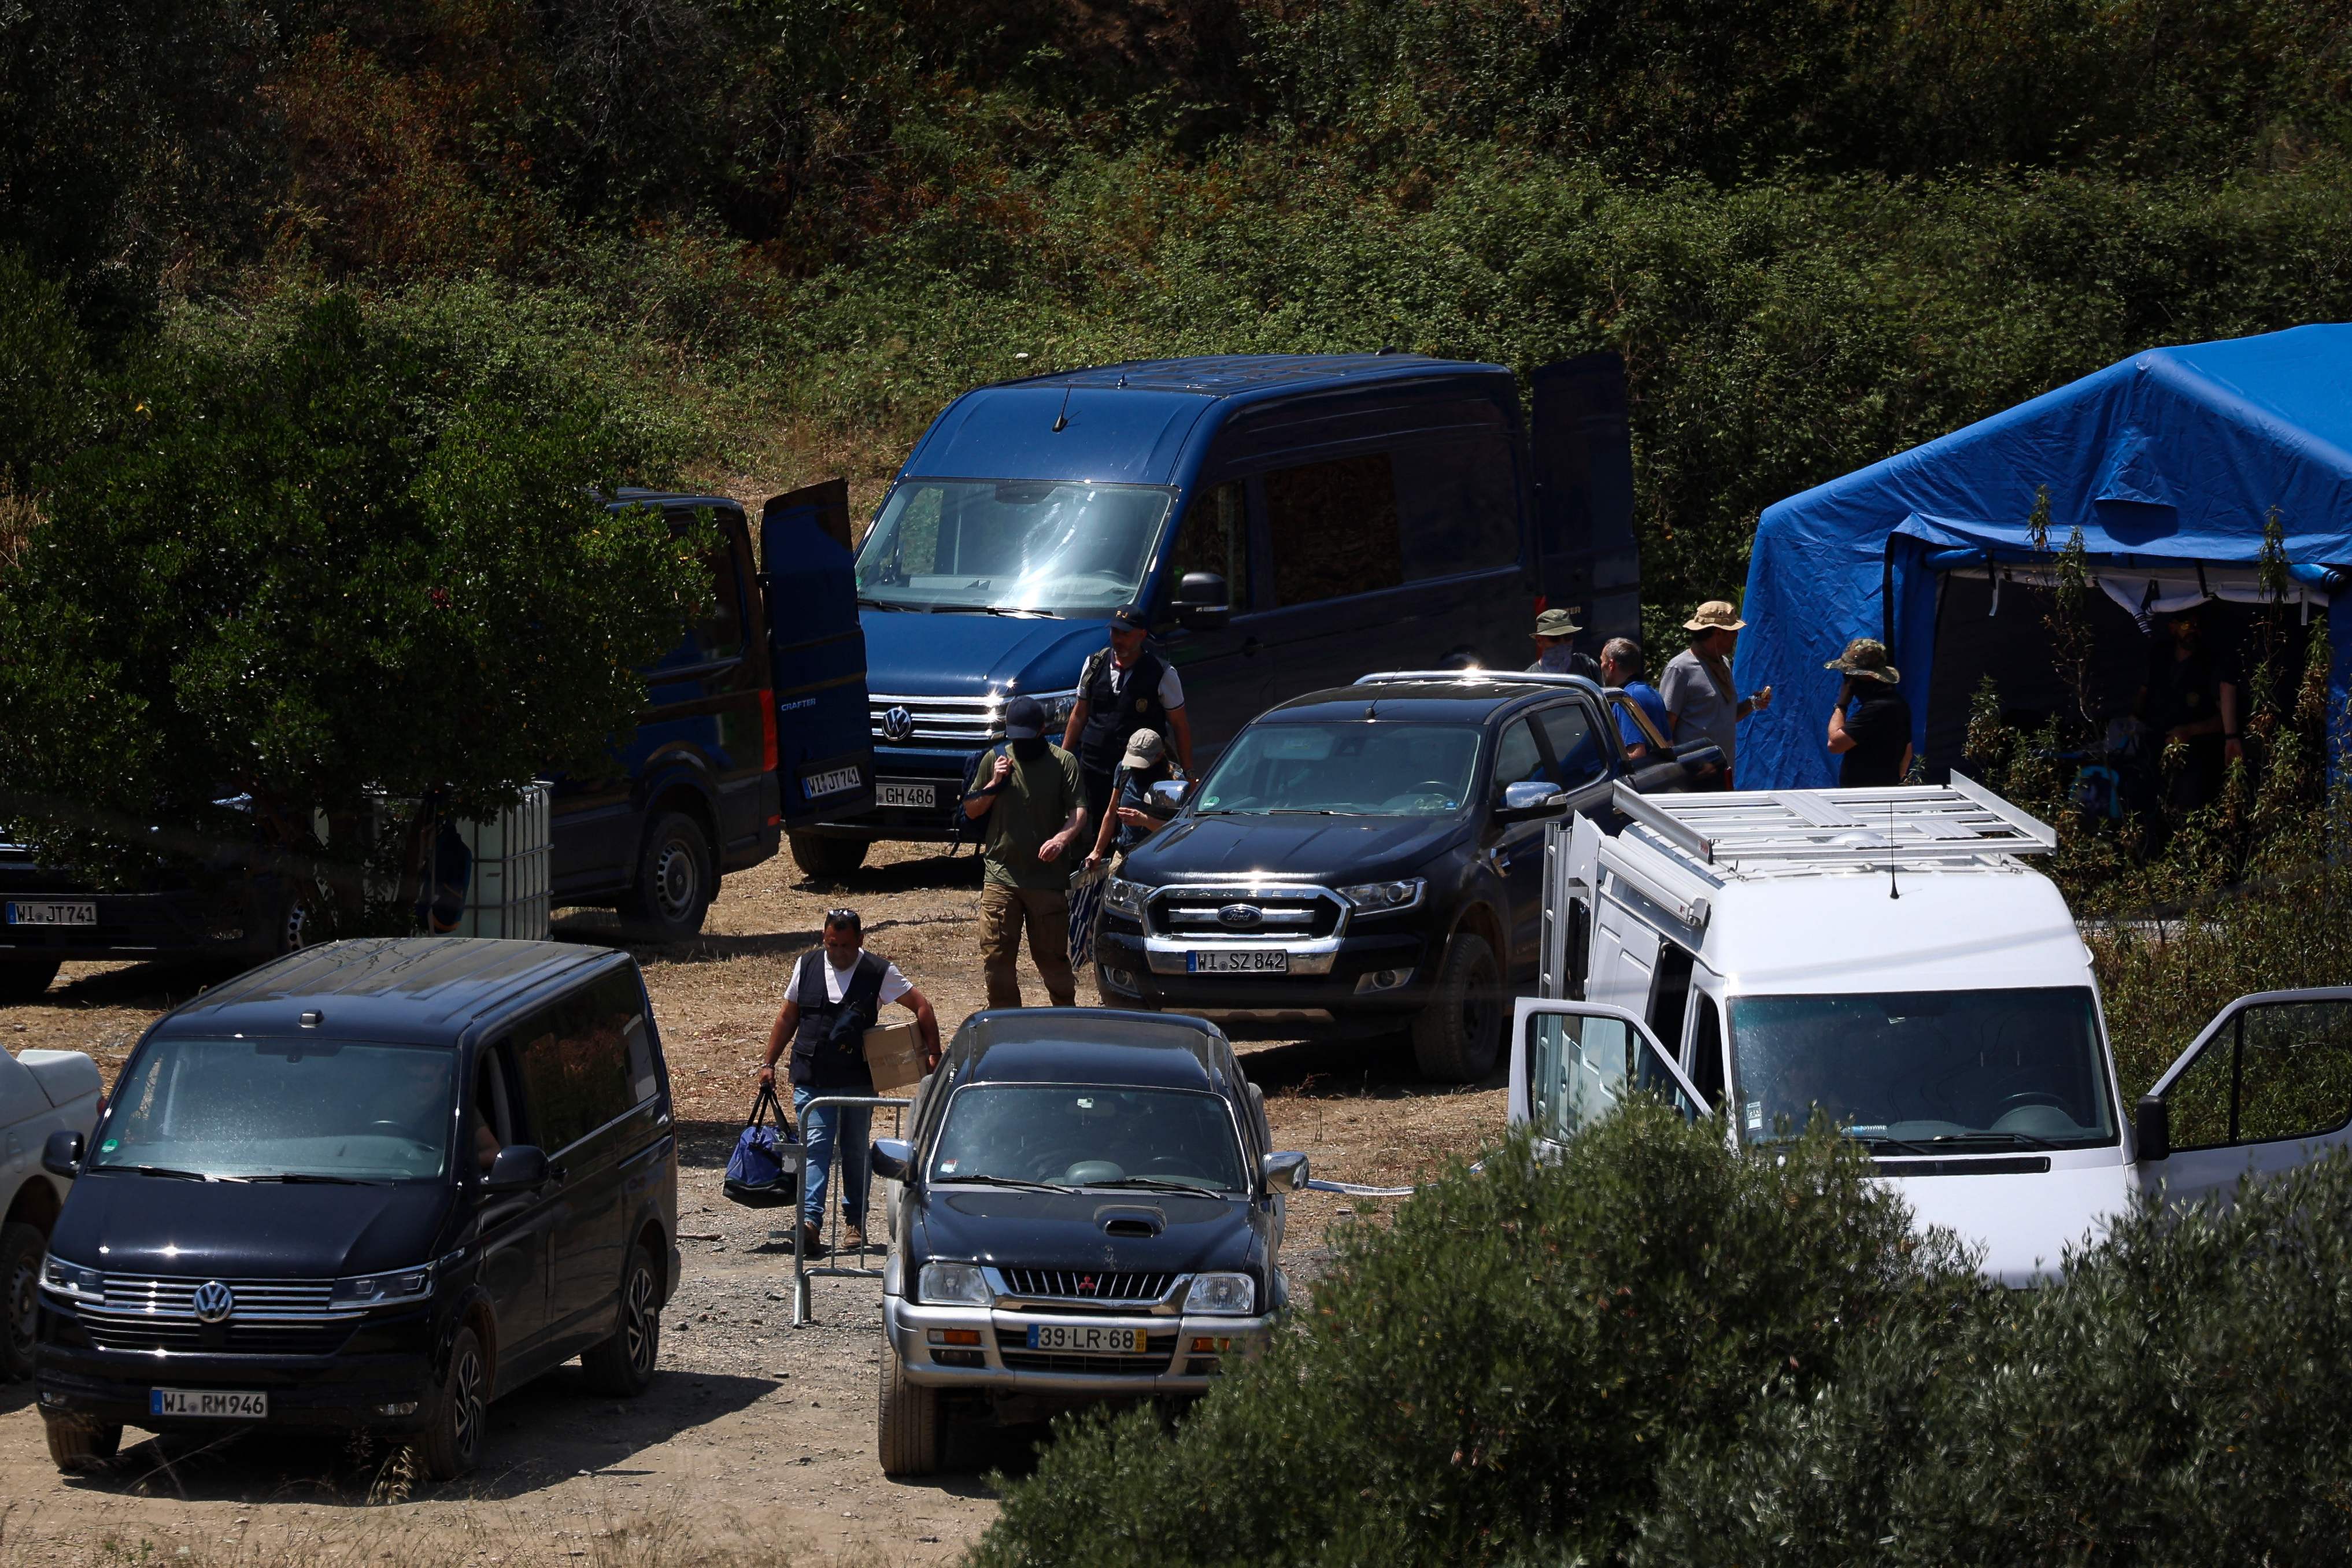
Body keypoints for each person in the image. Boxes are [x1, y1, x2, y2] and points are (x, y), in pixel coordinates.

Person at [757, 908, 941, 1253]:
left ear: (860, 940)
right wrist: (769, 1062)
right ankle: (810, 1223)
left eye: (845, 945)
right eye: (831, 945)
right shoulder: (807, 966)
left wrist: (932, 1054)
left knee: (856, 1151)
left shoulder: (879, 971)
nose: (838, 953)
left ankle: (855, 1221)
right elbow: (787, 1016)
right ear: (823, 940)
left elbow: (921, 1006)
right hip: (813, 1079)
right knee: (816, 1150)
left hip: (858, 1080)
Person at [967, 693, 1087, 1008]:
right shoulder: (995, 760)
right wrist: (994, 784)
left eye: (1027, 736)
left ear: (1042, 729)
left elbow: (1079, 811)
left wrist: (1062, 839)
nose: (1020, 743)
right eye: (1014, 737)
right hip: (1001, 875)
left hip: (1046, 880)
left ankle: (1065, 1020)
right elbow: (972, 811)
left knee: (1051, 959)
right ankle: (1007, 1025)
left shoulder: (1064, 762)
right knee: (996, 958)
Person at [1062, 605, 1192, 832]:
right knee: (1095, 828)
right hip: (1095, 767)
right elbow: (1079, 714)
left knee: (1135, 833)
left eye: (1125, 633)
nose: (1117, 639)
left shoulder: (1162, 673)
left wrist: (1188, 774)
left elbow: (1180, 725)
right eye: (1114, 632)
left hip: (1140, 774)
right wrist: (1064, 759)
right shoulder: (1094, 664)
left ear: (1142, 635)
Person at [2135, 605, 2242, 811]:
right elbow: (2143, 692)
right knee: (2152, 806)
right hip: (2155, 747)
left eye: (2197, 626)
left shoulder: (2210, 663)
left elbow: (2224, 718)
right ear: (2173, 628)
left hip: (2195, 756)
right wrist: (2133, 719)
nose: (2193, 631)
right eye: (2187, 625)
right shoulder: (2160, 655)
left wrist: (2189, 731)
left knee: (2190, 808)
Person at [1659, 600, 1773, 789]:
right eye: (1732, 631)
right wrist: (1684, 768)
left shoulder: (1723, 664)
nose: (1736, 635)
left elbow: (1725, 715)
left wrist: (1753, 703)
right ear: (1717, 632)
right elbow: (1664, 730)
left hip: (1723, 772)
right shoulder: (1680, 669)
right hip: (1693, 778)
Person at [1085, 728, 1178, 872]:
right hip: (1124, 856)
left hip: (1158, 860)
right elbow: (1111, 813)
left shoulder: (1173, 782)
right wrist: (1097, 851)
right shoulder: (1124, 770)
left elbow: (1177, 832)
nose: (1136, 768)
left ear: (1159, 756)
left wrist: (1144, 820)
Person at [1823, 638, 1914, 787]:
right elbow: (1907, 753)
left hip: (1866, 800)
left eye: (1849, 676)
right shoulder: (1898, 703)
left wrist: (1841, 705)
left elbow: (1834, 744)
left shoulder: (1877, 709)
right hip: (1880, 796)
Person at [1599, 637, 1670, 760]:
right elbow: (1669, 744)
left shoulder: (1625, 699)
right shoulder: (1652, 693)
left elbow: (1637, 754)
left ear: (1611, 665)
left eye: (1602, 661)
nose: (1601, 666)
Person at [1528, 608, 1600, 678]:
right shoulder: (1530, 678)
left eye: (1568, 637)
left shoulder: (1587, 666)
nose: (1562, 643)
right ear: (1539, 641)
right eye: (1554, 638)